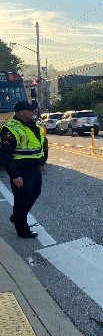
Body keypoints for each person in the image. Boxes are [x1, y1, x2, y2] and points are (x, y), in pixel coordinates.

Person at [0, 100, 48, 238]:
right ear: (20, 112)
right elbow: (6, 154)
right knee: (22, 199)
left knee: (35, 193)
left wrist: (41, 162)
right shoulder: (10, 128)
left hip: (35, 169)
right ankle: (22, 230)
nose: (32, 112)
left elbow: (38, 145)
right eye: (29, 110)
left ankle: (17, 216)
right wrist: (14, 175)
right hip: (21, 171)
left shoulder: (33, 125)